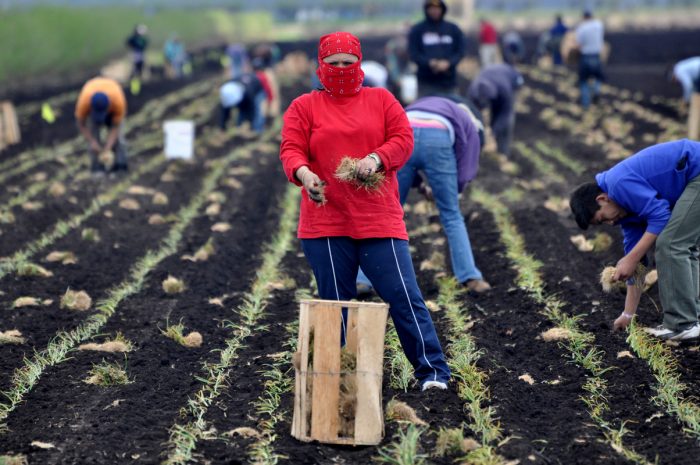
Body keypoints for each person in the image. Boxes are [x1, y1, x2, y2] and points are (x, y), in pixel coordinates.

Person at [280, 32, 451, 391]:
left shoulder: (381, 100)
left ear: (358, 64)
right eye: (333, 64)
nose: (341, 70)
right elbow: (291, 150)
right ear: (321, 66)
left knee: (404, 296)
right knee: (335, 306)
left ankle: (433, 373)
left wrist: (376, 159)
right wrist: (306, 174)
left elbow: (402, 139)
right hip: (326, 222)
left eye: (347, 63)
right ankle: (338, 380)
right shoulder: (304, 106)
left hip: (377, 219)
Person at [357, 96, 490, 294]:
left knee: (384, 214)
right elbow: (465, 169)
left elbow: (404, 159)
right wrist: (453, 191)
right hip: (437, 138)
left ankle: (362, 279)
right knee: (451, 214)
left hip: (404, 132)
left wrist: (419, 185)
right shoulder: (471, 125)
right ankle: (471, 277)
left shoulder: (423, 104)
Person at [569, 139, 700, 341]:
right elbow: (637, 265)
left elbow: (661, 216)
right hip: (693, 179)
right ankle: (692, 320)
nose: (610, 223)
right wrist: (628, 314)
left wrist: (630, 259)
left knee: (671, 244)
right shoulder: (626, 214)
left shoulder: (618, 184)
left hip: (696, 171)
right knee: (682, 246)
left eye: (603, 218)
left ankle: (683, 323)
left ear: (602, 199)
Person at [408, 0, 466, 98]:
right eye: (431, 8)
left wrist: (448, 63)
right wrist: (430, 63)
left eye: (437, 8)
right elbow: (413, 53)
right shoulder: (417, 30)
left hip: (449, 82)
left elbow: (460, 51)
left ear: (442, 9)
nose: (435, 11)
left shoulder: (453, 29)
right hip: (426, 82)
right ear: (426, 10)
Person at [75, 77, 128, 175]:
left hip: (114, 99)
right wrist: (92, 141)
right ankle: (97, 167)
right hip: (91, 93)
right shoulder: (84, 102)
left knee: (119, 139)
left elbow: (116, 127)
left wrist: (108, 146)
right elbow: (81, 124)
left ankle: (120, 165)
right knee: (93, 136)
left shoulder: (118, 101)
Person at [468, 63, 523, 156]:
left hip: (511, 78)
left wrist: (493, 131)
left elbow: (506, 114)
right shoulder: (474, 90)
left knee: (505, 121)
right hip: (492, 75)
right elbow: (472, 111)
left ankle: (503, 151)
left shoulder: (505, 90)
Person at [219, 69, 266, 133]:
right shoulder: (228, 92)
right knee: (242, 111)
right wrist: (222, 127)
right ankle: (240, 127)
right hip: (244, 93)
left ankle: (257, 129)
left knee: (257, 110)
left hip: (258, 90)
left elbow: (252, 109)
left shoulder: (249, 92)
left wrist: (250, 124)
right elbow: (225, 111)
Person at [574, 10, 605, 109]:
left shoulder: (581, 28)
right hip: (596, 55)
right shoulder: (599, 25)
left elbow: (579, 45)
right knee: (598, 77)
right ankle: (596, 92)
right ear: (591, 16)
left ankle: (585, 104)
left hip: (586, 56)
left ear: (584, 17)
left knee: (583, 80)